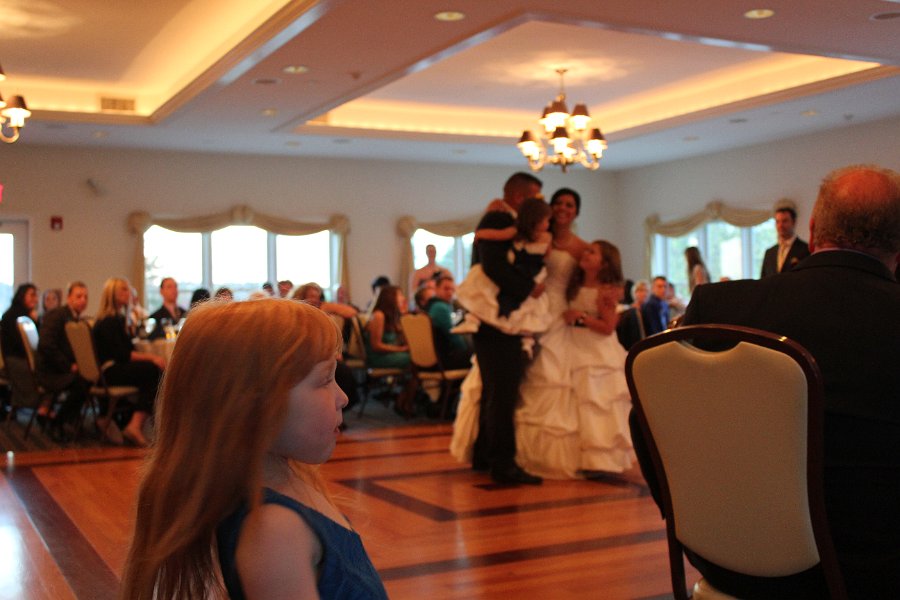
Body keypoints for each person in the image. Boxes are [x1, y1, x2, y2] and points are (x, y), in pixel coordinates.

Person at [631, 164, 900, 598]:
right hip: (865, 573)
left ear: (812, 228)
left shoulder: (718, 307)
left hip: (724, 559)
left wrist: (691, 524)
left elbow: (647, 423)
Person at [118, 299, 388, 600]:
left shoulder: (291, 480)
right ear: (252, 406)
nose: (343, 397)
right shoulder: (275, 532)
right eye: (325, 379)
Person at [516, 240, 633, 479]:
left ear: (605, 263)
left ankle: (601, 458)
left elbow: (608, 327)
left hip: (597, 349)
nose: (585, 254)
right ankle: (585, 457)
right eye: (587, 250)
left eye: (592, 252)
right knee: (580, 402)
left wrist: (581, 317)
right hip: (577, 344)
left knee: (597, 403)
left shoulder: (606, 290)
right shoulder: (576, 284)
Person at [468, 172, 546, 486]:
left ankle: (485, 456)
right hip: (497, 322)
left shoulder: (508, 221)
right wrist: (528, 288)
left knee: (495, 392)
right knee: (502, 394)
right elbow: (494, 266)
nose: (538, 203)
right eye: (535, 197)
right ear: (519, 197)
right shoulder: (499, 219)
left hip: (497, 322)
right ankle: (503, 465)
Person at [455, 197, 554, 344]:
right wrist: (480, 234)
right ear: (536, 220)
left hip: (533, 271)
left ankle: (527, 339)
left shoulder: (547, 237)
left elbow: (547, 256)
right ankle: (473, 319)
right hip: (519, 269)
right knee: (490, 295)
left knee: (530, 308)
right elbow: (498, 235)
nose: (548, 225)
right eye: (546, 220)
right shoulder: (516, 232)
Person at [92, 278, 165, 446]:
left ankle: (132, 422)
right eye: (124, 290)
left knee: (149, 370)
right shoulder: (110, 321)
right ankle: (135, 425)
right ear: (112, 295)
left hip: (109, 370)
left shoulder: (113, 319)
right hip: (109, 372)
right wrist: (152, 357)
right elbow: (123, 355)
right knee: (153, 370)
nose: (129, 293)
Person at [36, 281, 90, 440]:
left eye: (86, 297)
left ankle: (68, 420)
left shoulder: (74, 318)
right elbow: (46, 345)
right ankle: (59, 422)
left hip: (59, 368)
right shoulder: (58, 315)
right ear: (68, 298)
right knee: (84, 382)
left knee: (88, 378)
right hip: (50, 371)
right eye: (78, 296)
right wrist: (68, 366)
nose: (83, 300)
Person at [1, 283, 40, 413]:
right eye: (32, 295)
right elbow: (21, 344)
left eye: (36, 296)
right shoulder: (13, 316)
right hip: (15, 359)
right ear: (22, 296)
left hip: (23, 357)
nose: (36, 299)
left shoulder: (28, 316)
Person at [426, 275, 472, 369]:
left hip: (438, 358)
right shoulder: (440, 307)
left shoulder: (434, 305)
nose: (450, 292)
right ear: (436, 289)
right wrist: (467, 349)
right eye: (446, 289)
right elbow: (453, 336)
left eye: (452, 289)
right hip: (443, 359)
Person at [364, 285, 410, 370]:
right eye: (400, 295)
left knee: (417, 355)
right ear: (390, 298)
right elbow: (376, 346)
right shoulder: (379, 315)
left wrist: (404, 314)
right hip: (378, 357)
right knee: (413, 358)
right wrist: (400, 349)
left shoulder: (393, 316)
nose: (403, 298)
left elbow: (403, 340)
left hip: (389, 354)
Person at [760, 200, 810, 278]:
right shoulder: (769, 253)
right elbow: (763, 280)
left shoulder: (806, 249)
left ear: (793, 222)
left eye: (785, 221)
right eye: (777, 222)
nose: (780, 225)